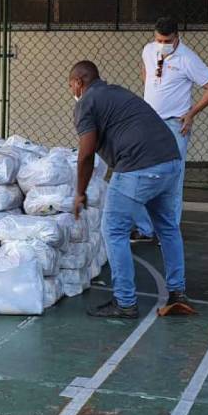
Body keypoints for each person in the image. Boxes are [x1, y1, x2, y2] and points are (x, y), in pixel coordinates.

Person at [69, 60, 190, 318]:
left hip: (138, 166)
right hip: (170, 160)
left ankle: (125, 302)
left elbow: (86, 154)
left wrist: (80, 192)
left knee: (113, 229)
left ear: (78, 82)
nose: (72, 90)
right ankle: (177, 292)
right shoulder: (116, 92)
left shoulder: (86, 103)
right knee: (168, 227)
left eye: (71, 85)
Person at [131, 17, 208, 239]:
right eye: (159, 40)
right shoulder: (148, 50)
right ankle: (146, 228)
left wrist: (191, 113)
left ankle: (167, 231)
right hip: (150, 122)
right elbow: (145, 72)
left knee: (172, 178)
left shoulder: (187, 58)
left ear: (177, 37)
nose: (162, 44)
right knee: (143, 174)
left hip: (175, 125)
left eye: (167, 40)